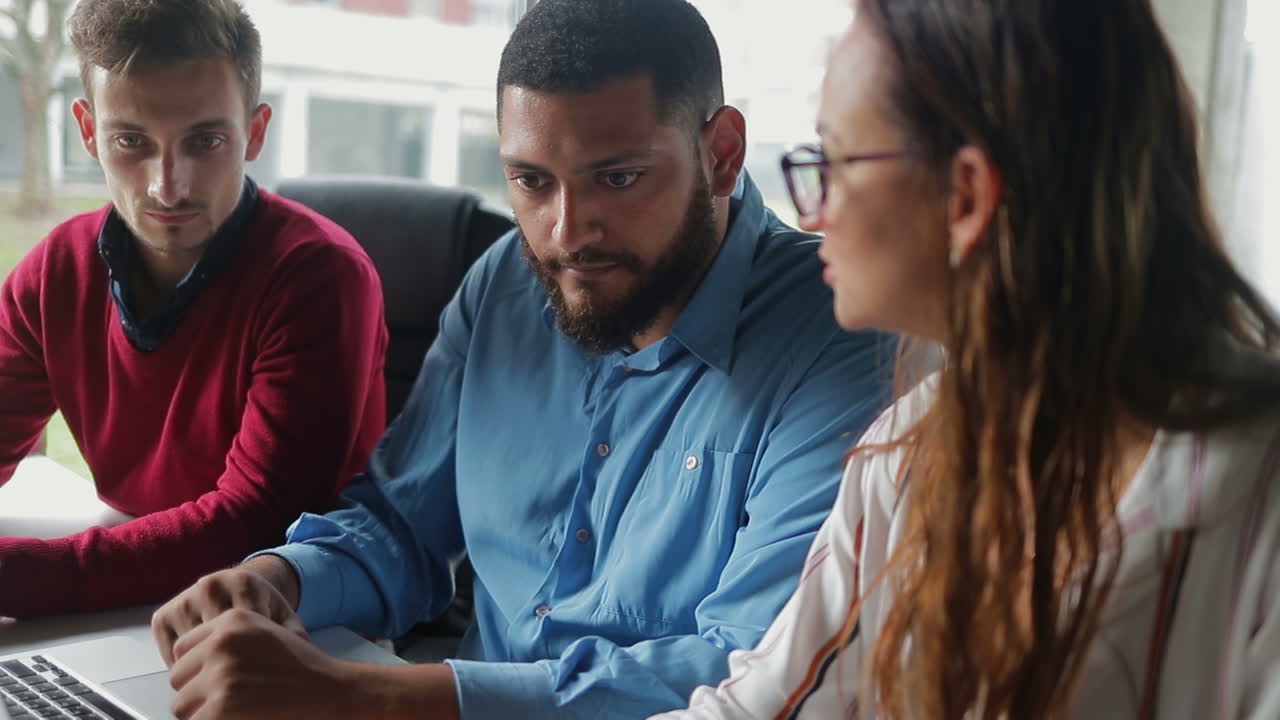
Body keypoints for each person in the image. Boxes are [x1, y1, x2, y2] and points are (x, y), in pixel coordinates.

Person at [149, 0, 893, 717]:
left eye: (618, 177)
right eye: (532, 182)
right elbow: (401, 525)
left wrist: (367, 699)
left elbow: (754, 675)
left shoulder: (844, 334)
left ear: (721, 154)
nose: (567, 233)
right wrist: (277, 581)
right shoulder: (506, 281)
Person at [654, 0, 1280, 718]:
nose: (812, 213)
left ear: (968, 195)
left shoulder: (1259, 495)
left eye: (834, 161)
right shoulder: (906, 453)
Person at [0, 0, 387, 619]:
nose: (167, 186)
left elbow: (252, 524)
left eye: (205, 141)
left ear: (255, 132)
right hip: (126, 588)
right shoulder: (57, 270)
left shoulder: (320, 276)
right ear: (88, 130)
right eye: (131, 141)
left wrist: (12, 577)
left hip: (290, 624)